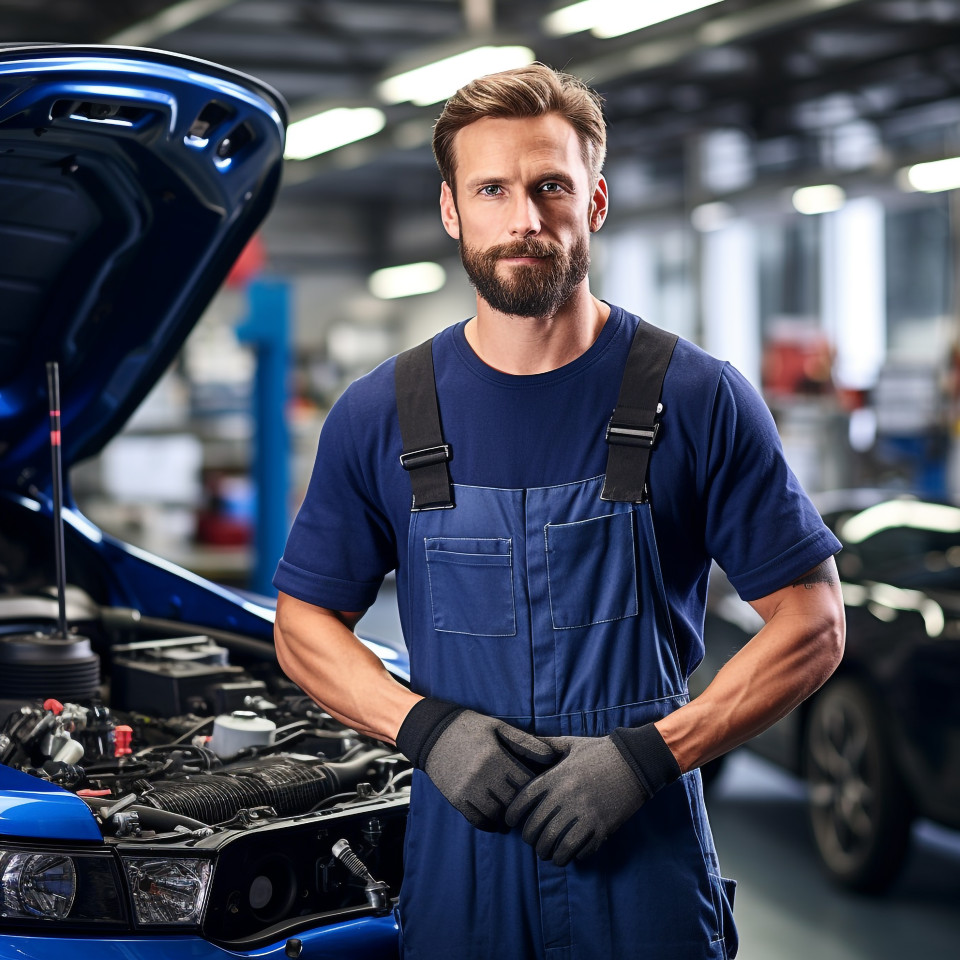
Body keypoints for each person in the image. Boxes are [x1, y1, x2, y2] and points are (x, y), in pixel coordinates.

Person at [273, 63, 845, 960]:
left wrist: (651, 757)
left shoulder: (699, 398)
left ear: (598, 200)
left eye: (551, 187)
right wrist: (427, 731)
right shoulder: (381, 412)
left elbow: (812, 623)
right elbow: (304, 622)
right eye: (492, 189)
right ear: (452, 210)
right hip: (463, 861)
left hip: (644, 855)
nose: (524, 220)